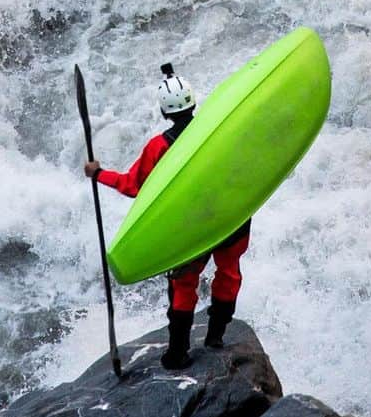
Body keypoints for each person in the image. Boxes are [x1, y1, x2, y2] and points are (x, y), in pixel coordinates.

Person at [84, 62, 251, 369]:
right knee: (229, 272)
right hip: (231, 216)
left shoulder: (159, 147)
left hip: (191, 227)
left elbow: (133, 186)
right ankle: (216, 336)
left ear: (164, 112)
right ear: (193, 102)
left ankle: (178, 354)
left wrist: (99, 174)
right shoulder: (219, 130)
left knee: (184, 285)